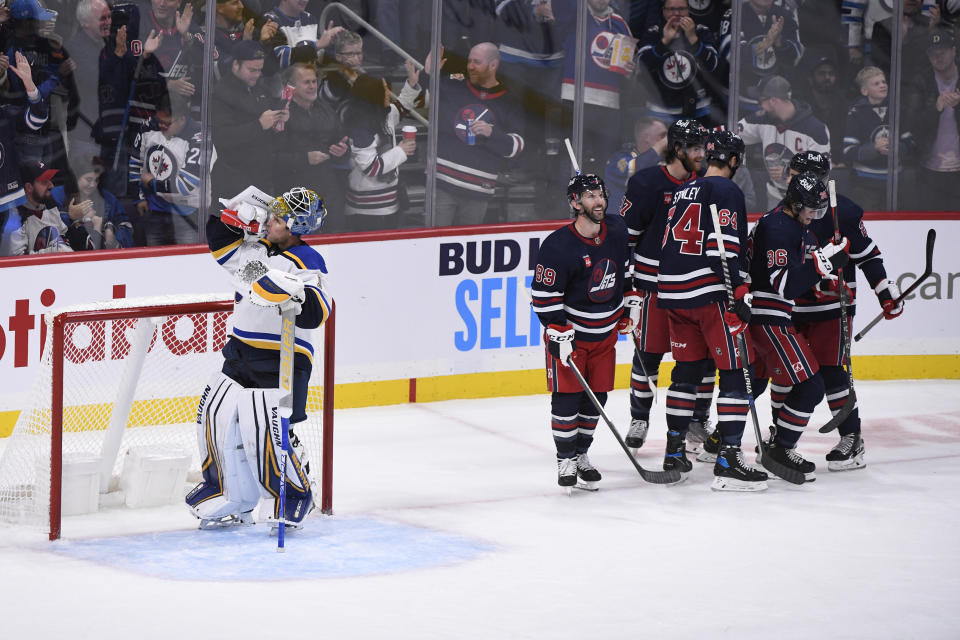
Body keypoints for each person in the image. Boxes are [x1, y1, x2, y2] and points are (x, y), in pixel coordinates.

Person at [186, 186, 332, 529]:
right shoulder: (255, 249)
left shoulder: (307, 260)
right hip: (239, 351)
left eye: (279, 218)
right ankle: (228, 493)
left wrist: (295, 296)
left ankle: (291, 494)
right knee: (214, 414)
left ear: (297, 227)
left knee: (264, 429)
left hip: (281, 357)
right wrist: (233, 215)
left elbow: (317, 311)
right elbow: (219, 243)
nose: (270, 221)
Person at [656, 130, 767, 491]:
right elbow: (727, 246)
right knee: (736, 370)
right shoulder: (728, 190)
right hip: (708, 293)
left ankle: (674, 451)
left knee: (686, 371)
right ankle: (729, 458)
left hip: (673, 293)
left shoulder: (683, 190)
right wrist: (739, 292)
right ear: (734, 161)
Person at [786, 150, 903, 471]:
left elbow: (868, 256)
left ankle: (851, 438)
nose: (789, 179)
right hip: (793, 306)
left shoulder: (844, 212)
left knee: (832, 371)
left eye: (796, 173)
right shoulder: (784, 210)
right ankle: (782, 442)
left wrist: (885, 292)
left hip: (831, 309)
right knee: (788, 373)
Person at [619, 119, 717, 456]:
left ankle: (697, 422)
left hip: (693, 288)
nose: (702, 154)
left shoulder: (706, 185)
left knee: (702, 361)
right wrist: (625, 285)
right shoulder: (646, 183)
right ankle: (639, 418)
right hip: (653, 287)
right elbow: (625, 239)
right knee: (647, 356)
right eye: (695, 148)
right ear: (677, 149)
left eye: (703, 148)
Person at [530, 173, 631, 492]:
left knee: (596, 397)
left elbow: (624, 273)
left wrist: (629, 307)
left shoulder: (617, 231)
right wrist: (557, 330)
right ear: (574, 203)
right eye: (589, 196)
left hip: (605, 337)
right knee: (566, 399)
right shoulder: (558, 245)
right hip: (571, 339)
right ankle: (565, 459)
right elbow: (543, 296)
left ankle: (582, 453)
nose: (598, 201)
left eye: (599, 194)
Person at [746, 171, 849, 483]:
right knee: (811, 384)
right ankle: (780, 447)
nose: (813, 217)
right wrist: (824, 265)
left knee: (759, 384)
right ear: (794, 203)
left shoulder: (790, 224)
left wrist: (825, 270)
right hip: (767, 316)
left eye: (819, 211)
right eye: (811, 210)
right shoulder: (778, 227)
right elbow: (785, 286)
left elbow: (802, 278)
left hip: (772, 315)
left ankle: (741, 444)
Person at [408, 42, 525, 226]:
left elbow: (516, 147)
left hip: (478, 188)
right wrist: (428, 74)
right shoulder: (455, 85)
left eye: (476, 62)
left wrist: (492, 133)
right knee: (434, 242)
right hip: (442, 182)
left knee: (467, 245)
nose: (470, 66)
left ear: (493, 65)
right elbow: (418, 102)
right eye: (469, 61)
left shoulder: (508, 100)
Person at [737, 75, 831, 210]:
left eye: (760, 101)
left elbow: (823, 170)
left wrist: (789, 172)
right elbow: (731, 133)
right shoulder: (762, 119)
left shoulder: (816, 129)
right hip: (775, 196)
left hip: (805, 199)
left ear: (773, 101)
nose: (759, 106)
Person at [274, 62, 348, 229]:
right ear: (291, 86)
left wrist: (342, 151)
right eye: (306, 82)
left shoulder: (326, 110)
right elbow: (270, 158)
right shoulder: (279, 114)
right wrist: (305, 159)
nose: (312, 86)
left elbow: (341, 142)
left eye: (314, 81)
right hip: (294, 195)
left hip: (328, 193)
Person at [210, 39, 286, 201]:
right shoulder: (221, 94)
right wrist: (259, 125)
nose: (257, 75)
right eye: (252, 70)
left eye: (259, 70)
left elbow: (270, 119)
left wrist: (280, 117)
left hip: (262, 175)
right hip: (234, 179)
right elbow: (222, 137)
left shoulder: (259, 87)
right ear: (235, 64)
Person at [134, 95, 215, 245]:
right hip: (155, 211)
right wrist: (139, 197)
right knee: (155, 263)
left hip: (189, 214)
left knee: (187, 264)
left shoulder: (200, 137)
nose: (161, 126)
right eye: (159, 121)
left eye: (166, 123)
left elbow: (186, 184)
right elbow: (136, 163)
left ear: (182, 119)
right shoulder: (149, 126)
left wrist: (151, 182)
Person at [341, 74, 416, 231]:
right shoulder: (359, 127)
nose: (389, 92)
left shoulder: (384, 114)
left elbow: (402, 107)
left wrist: (411, 84)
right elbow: (371, 168)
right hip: (365, 211)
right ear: (371, 95)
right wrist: (401, 151)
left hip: (391, 204)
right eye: (384, 89)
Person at [635, 0, 723, 127]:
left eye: (681, 9)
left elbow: (714, 66)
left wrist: (693, 39)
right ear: (663, 11)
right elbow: (641, 66)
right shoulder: (653, 33)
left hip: (699, 112)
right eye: (671, 9)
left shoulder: (701, 31)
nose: (676, 13)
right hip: (659, 114)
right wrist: (664, 42)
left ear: (689, 10)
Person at [843, 66, 914, 211]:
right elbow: (848, 151)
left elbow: (911, 145)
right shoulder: (856, 113)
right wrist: (874, 148)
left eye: (883, 82)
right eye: (876, 83)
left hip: (895, 183)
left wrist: (897, 147)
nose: (882, 85)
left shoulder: (899, 109)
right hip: (865, 184)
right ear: (864, 91)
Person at [904, 28, 960, 211]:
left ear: (953, 51)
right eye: (933, 53)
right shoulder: (922, 81)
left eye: (942, 51)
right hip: (929, 169)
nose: (938, 57)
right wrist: (935, 108)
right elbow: (912, 125)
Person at [8, 160, 97, 254]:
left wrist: (76, 226)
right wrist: (55, 251)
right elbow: (18, 262)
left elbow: (66, 239)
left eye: (50, 180)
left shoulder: (50, 206)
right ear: (29, 187)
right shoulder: (15, 219)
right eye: (44, 182)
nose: (51, 185)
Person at [52, 154, 133, 249]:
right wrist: (69, 217)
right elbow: (46, 227)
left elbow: (125, 224)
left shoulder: (107, 197)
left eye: (97, 180)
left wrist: (112, 237)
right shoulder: (56, 194)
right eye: (88, 180)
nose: (93, 185)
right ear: (76, 176)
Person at [604, 116, 668, 211]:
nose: (666, 141)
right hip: (619, 223)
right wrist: (661, 145)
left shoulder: (663, 161)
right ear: (646, 137)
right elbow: (635, 171)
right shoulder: (618, 159)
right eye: (662, 136)